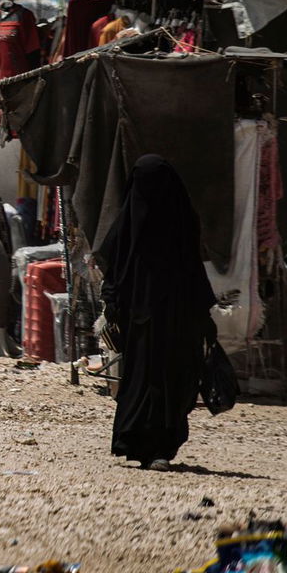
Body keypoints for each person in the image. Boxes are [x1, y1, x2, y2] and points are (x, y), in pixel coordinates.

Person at [98, 156, 221, 470]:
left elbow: (115, 267)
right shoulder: (174, 221)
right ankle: (148, 446)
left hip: (165, 319)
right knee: (150, 379)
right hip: (154, 319)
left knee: (164, 379)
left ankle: (156, 447)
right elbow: (116, 270)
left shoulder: (164, 224)